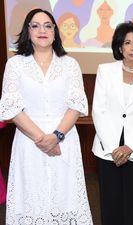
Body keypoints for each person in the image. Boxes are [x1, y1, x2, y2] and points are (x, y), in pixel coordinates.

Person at [0, 8, 93, 224]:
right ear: (28, 31)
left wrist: (56, 136)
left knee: (65, 198)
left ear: (55, 31)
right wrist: (44, 139)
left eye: (48, 25)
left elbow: (76, 105)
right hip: (29, 142)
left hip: (65, 140)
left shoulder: (70, 64)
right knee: (31, 199)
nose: (42, 30)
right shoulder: (15, 65)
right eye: (35, 25)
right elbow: (12, 108)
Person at [92, 21, 133, 225]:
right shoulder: (105, 71)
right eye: (128, 43)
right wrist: (114, 148)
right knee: (110, 203)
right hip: (107, 148)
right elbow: (98, 110)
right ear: (120, 47)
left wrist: (130, 147)